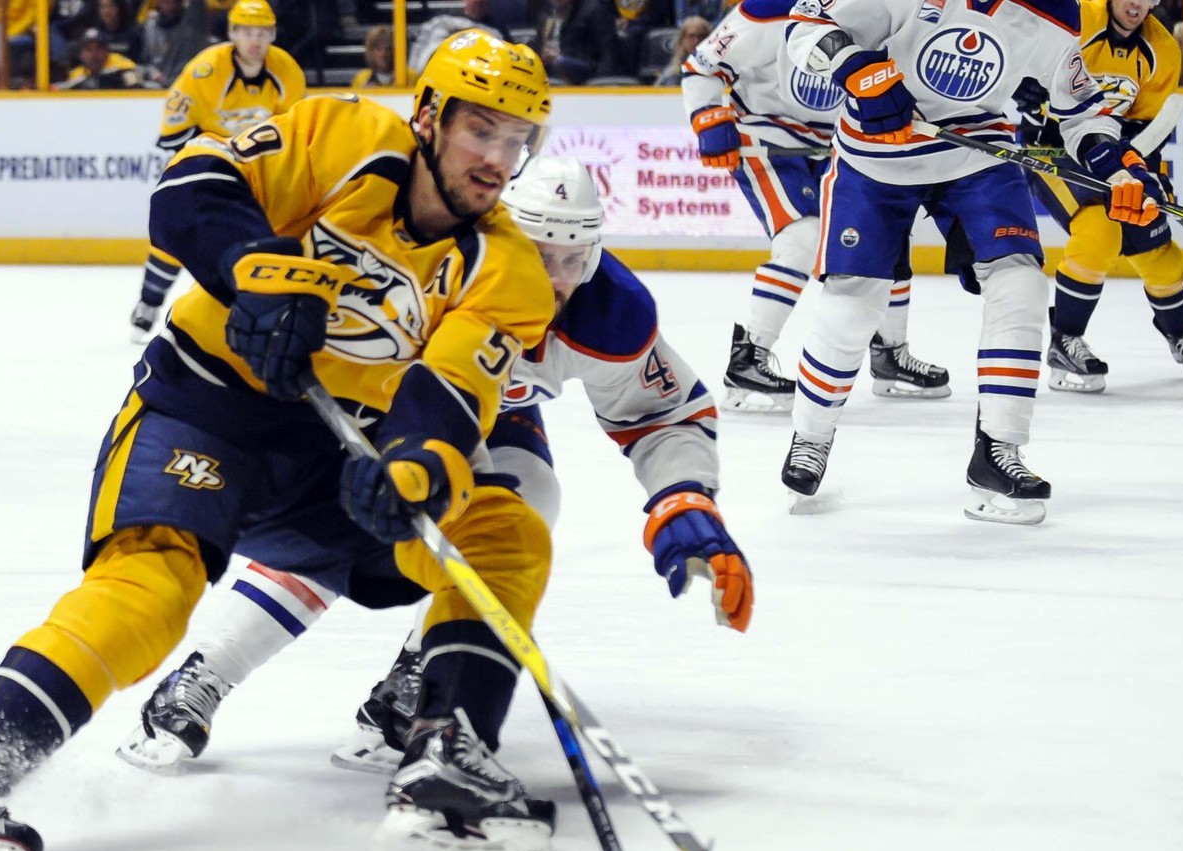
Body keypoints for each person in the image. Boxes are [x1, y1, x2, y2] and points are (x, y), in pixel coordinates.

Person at [0, 30, 567, 851]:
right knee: (149, 591)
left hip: (330, 464)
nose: (497, 158)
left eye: (516, 139)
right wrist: (256, 273)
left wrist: (414, 467)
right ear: (428, 116)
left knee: (500, 527)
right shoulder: (340, 138)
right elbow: (195, 183)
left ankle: (448, 752)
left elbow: (452, 394)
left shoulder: (510, 269)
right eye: (480, 130)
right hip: (206, 409)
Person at [114, 155, 754, 777]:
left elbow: (664, 414)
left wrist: (684, 497)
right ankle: (207, 671)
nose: (557, 279)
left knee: (529, 498)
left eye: (574, 258)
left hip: (488, 417)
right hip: (385, 407)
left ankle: (420, 670)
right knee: (347, 521)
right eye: (539, 254)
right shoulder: (440, 264)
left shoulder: (609, 313)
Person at [779, 0, 1156, 524]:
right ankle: (811, 435)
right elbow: (806, 26)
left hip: (979, 153)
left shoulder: (1052, 12)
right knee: (853, 301)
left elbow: (1081, 109)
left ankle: (998, 451)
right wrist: (854, 66)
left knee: (1021, 283)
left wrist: (1119, 168)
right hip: (876, 157)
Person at [681, 0, 947, 412]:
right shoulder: (767, 9)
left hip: (838, 147)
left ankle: (891, 353)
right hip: (766, 142)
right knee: (802, 239)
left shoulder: (877, 8)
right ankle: (748, 359)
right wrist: (708, 117)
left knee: (886, 239)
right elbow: (702, 66)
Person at [1018, 0, 1183, 392]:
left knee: (1156, 245)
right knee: (1099, 229)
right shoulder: (1077, 17)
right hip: (1052, 150)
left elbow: (1145, 129)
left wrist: (1148, 175)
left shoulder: (1161, 49)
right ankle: (1066, 339)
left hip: (1111, 154)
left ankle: (1182, 335)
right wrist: (1024, 87)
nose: (1136, 4)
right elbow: (1016, 49)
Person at [128, 0, 305, 342]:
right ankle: (148, 304)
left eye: (263, 33)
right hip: (205, 157)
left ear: (272, 34)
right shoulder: (205, 70)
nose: (255, 41)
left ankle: (258, 308)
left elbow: (292, 131)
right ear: (232, 33)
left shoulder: (287, 72)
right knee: (178, 227)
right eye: (247, 32)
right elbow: (174, 130)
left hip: (258, 164)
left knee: (271, 230)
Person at [533, 0, 618, 85]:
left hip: (587, 82)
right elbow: (538, 50)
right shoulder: (547, 13)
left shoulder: (594, 11)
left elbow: (608, 57)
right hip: (551, 83)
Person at [137, 0, 210, 87]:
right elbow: (139, 62)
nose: (170, 4)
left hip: (188, 84)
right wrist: (150, 72)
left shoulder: (194, 22)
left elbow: (199, 6)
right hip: (156, 87)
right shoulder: (149, 26)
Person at [55, 26, 143, 88]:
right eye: (88, 49)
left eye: (99, 48)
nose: (94, 54)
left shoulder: (121, 65)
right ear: (81, 54)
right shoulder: (77, 76)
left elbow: (137, 78)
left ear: (107, 51)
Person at [350, 23, 407, 87]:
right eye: (378, 49)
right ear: (371, 51)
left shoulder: (411, 77)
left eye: (388, 49)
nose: (383, 54)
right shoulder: (361, 79)